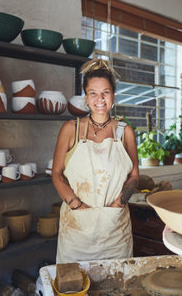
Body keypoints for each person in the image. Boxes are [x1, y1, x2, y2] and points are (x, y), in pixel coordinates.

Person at [52, 59, 139, 263]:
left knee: (116, 286)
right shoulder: (70, 129)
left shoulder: (125, 132)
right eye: (93, 93)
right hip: (76, 231)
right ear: (86, 97)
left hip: (115, 232)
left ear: (113, 95)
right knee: (75, 289)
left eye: (105, 92)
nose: (100, 99)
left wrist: (119, 203)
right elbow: (56, 174)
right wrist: (76, 205)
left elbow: (134, 175)